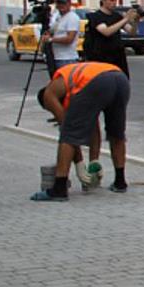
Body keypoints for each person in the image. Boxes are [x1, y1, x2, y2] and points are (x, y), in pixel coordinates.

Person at [32, 61, 131, 201]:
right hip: (120, 78)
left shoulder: (49, 94)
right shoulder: (73, 82)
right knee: (116, 133)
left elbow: (67, 130)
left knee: (68, 135)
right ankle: (120, 182)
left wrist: (79, 165)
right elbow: (93, 124)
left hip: (96, 82)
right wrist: (93, 162)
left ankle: (59, 189)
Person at [83, 0, 138, 78]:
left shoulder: (117, 16)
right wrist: (126, 19)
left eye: (116, 0)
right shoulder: (96, 16)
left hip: (117, 58)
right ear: (103, 0)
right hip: (101, 58)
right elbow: (106, 31)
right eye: (111, 0)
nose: (114, 3)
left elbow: (131, 32)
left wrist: (136, 21)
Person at [42, 0, 80, 72]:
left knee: (66, 83)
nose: (61, 5)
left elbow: (69, 39)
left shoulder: (72, 17)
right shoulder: (58, 17)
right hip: (56, 56)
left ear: (69, 4)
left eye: (64, 3)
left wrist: (50, 39)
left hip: (67, 58)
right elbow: (52, 31)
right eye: (59, 3)